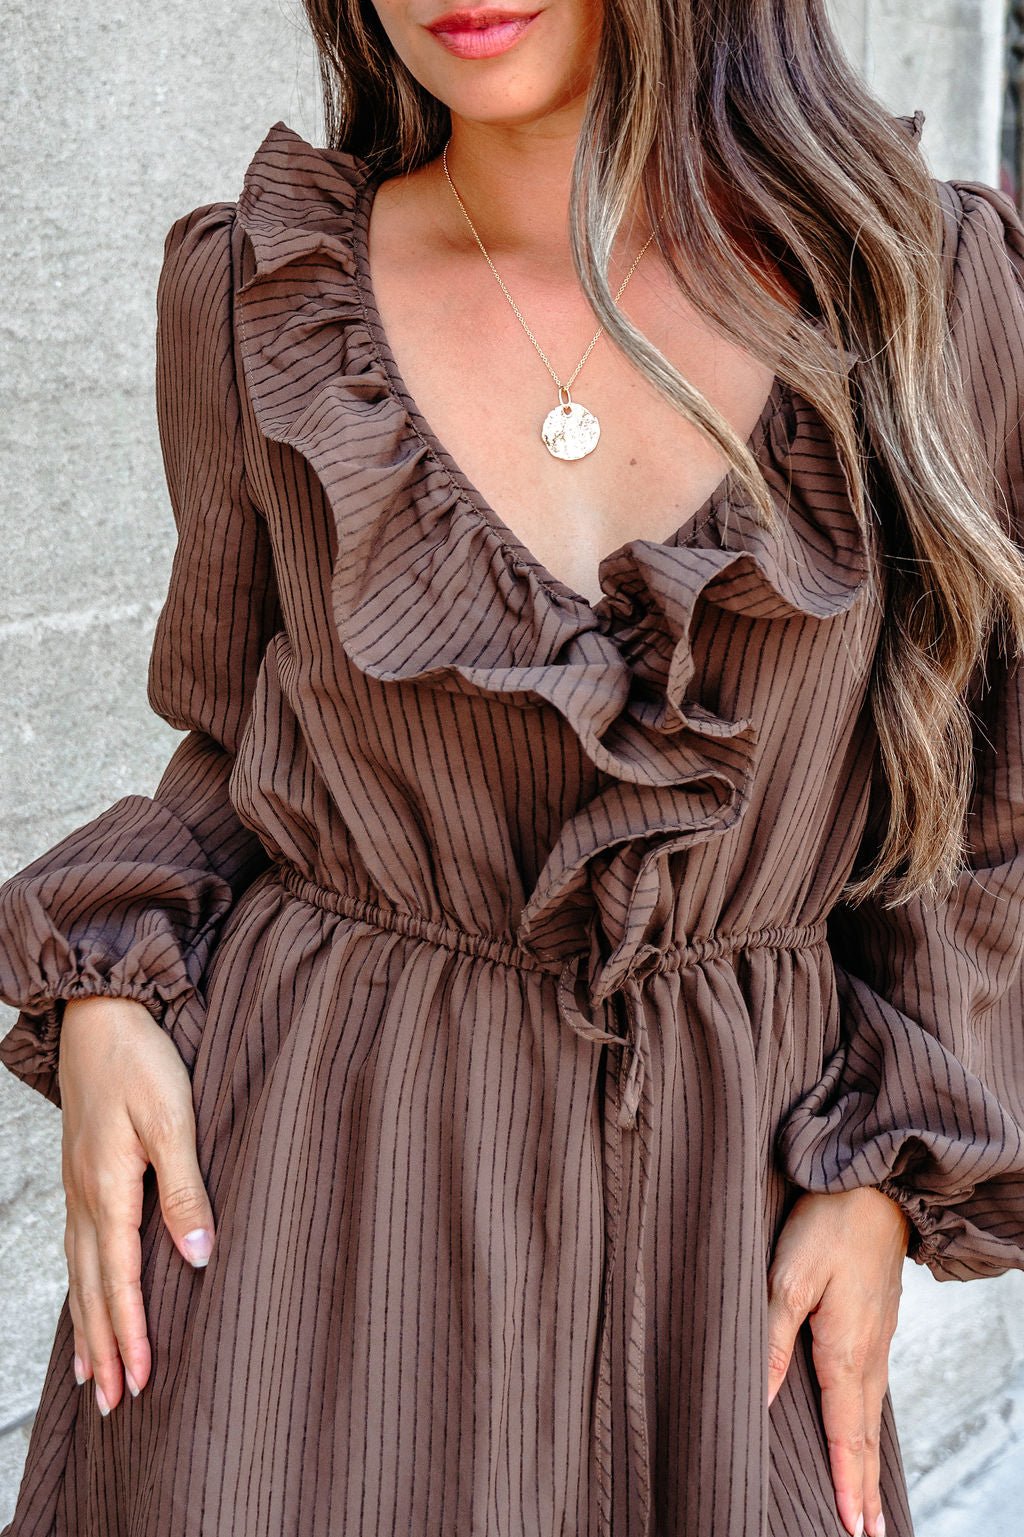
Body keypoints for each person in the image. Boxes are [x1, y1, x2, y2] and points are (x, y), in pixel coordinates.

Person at [2, 2, 1024, 1534]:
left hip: (719, 1259)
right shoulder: (260, 297)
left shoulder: (920, 291)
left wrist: (882, 1173)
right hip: (307, 1244)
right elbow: (238, 744)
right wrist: (105, 990)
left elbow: (984, 807)